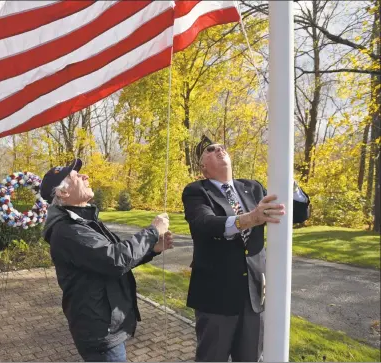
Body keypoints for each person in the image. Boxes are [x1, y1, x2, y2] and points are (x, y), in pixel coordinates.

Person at [182, 135, 310, 362]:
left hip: (253, 295)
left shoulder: (253, 187)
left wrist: (288, 180)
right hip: (215, 296)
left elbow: (299, 214)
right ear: (204, 168)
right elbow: (204, 223)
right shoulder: (196, 191)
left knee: (250, 358)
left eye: (222, 147)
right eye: (211, 149)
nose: (219, 149)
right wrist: (250, 218)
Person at [40, 158, 174, 362]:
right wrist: (152, 232)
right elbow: (115, 260)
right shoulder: (68, 230)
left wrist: (152, 249)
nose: (85, 176)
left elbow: (114, 260)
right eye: (75, 176)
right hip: (99, 331)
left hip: (104, 325)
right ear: (63, 192)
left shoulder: (83, 222)